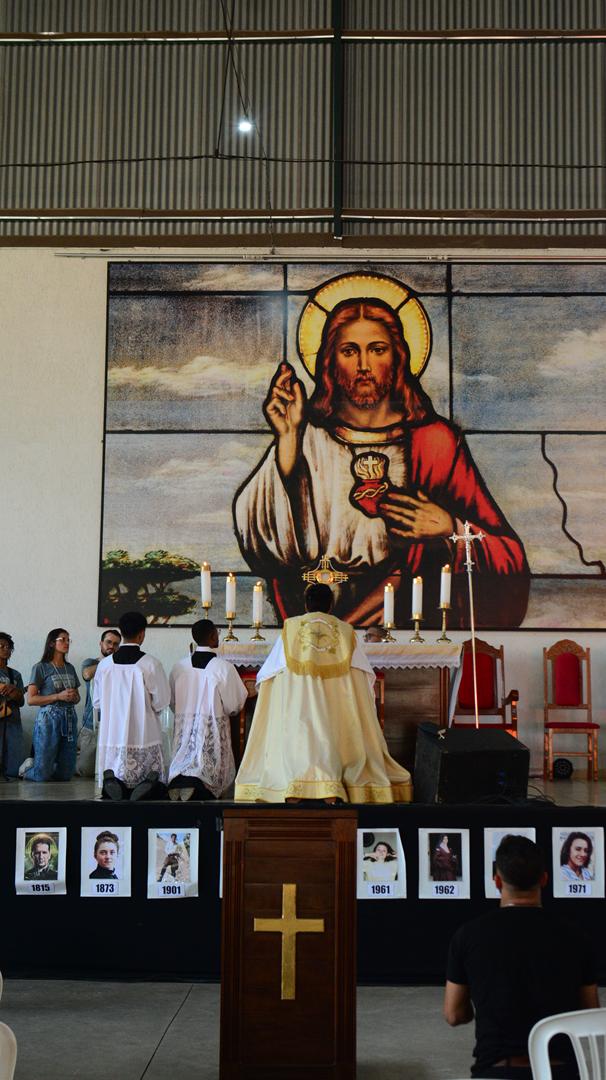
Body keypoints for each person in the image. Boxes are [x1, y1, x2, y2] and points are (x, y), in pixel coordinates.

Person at [234, 280, 529, 628]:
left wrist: (449, 528)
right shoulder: (303, 436)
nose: (364, 364)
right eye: (349, 351)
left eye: (377, 349)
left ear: (398, 357)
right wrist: (287, 440)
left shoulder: (436, 443)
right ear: (330, 361)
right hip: (315, 622)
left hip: (406, 624)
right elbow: (263, 548)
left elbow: (508, 556)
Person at [234, 582, 412, 803]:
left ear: (306, 605)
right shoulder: (346, 632)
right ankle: (332, 786)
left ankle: (295, 784)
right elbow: (363, 674)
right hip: (334, 707)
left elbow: (269, 673)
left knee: (300, 733)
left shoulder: (290, 628)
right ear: (330, 605)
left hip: (299, 705)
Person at [444, 834, 599, 1079]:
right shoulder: (576, 936)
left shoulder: (468, 935)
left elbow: (454, 1015)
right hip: (561, 1071)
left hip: (496, 1071)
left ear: (497, 881)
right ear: (544, 879)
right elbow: (589, 1011)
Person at [93, 611, 170, 800]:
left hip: (112, 732)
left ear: (121, 632)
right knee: (154, 783)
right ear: (142, 634)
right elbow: (161, 701)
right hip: (143, 732)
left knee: (116, 771)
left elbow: (97, 702)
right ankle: (145, 786)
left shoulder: (104, 665)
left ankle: (115, 784)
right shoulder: (151, 664)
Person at [168, 619, 248, 801]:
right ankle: (198, 785)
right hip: (211, 725)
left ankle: (178, 782)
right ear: (212, 636)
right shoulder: (224, 668)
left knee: (183, 756)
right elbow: (234, 705)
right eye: (217, 634)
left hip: (185, 725)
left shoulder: (179, 667)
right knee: (208, 763)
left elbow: (172, 702)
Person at [20, 629, 80, 782]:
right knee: (42, 775)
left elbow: (78, 698)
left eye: (68, 640)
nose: (67, 643)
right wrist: (58, 696)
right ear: (52, 643)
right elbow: (31, 699)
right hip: (49, 719)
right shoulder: (40, 667)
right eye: (63, 639)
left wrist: (74, 696)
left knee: (66, 774)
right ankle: (27, 770)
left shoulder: (70, 668)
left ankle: (44, 766)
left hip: (69, 717)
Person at [77, 628, 121, 777]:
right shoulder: (91, 662)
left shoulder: (120, 665)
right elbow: (87, 674)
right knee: (86, 770)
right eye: (108, 642)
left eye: (116, 644)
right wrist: (109, 661)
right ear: (101, 643)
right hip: (92, 725)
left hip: (114, 725)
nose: (112, 646)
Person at [0, 632, 25, 779]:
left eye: (8, 647)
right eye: (1, 646)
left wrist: (15, 692)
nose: (5, 649)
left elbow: (21, 702)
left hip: (12, 720)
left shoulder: (15, 675)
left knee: (14, 765)